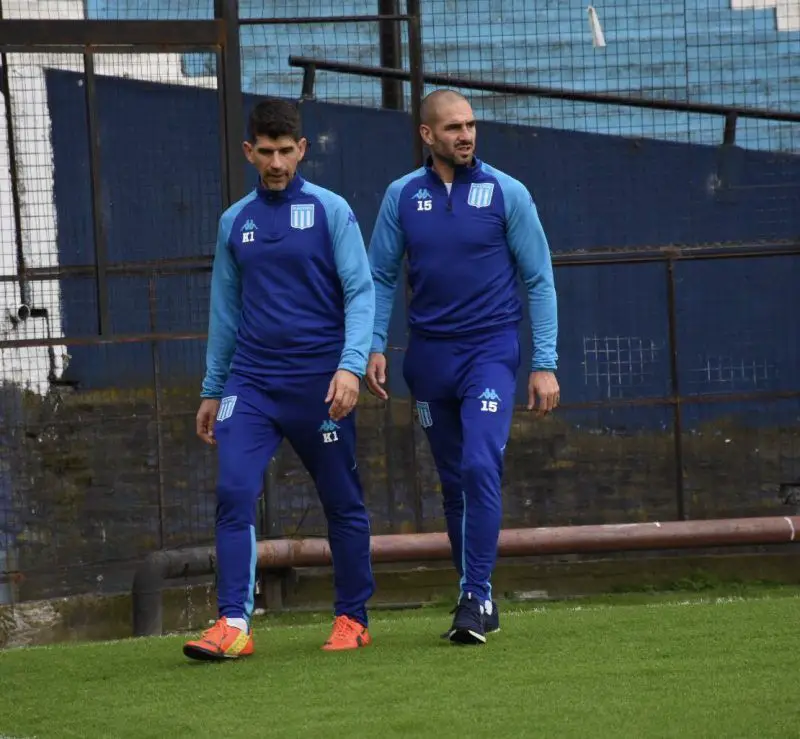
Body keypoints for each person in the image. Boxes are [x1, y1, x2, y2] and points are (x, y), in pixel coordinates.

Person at [183, 97, 376, 660]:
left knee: (341, 500)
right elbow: (225, 311)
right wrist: (212, 389)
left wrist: (350, 366)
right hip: (253, 384)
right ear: (249, 152)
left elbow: (361, 293)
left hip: (321, 384)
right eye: (264, 152)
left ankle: (352, 617)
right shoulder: (233, 221)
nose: (275, 162)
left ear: (302, 150)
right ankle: (234, 624)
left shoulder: (331, 211)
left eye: (285, 151)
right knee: (232, 490)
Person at [366, 89, 559, 645]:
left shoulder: (508, 193)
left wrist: (544, 362)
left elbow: (539, 280)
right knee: (453, 483)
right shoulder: (401, 196)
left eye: (471, 125)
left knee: (479, 464)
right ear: (427, 135)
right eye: (453, 127)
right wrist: (374, 345)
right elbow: (379, 276)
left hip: (490, 352)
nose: (466, 135)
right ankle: (475, 591)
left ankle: (475, 596)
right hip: (427, 359)